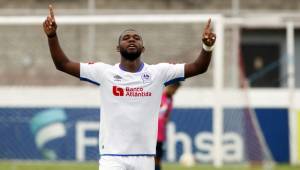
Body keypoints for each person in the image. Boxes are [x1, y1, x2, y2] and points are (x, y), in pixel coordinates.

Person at [43, 4, 216, 170]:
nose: (131, 40)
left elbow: (198, 67)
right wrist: (52, 36)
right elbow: (63, 64)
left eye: (136, 38)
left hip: (145, 157)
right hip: (112, 157)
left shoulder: (159, 72)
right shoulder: (104, 72)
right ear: (118, 48)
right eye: (126, 38)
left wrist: (207, 47)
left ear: (143, 47)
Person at [155, 82, 181, 170]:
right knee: (152, 157)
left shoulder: (170, 99)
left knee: (158, 156)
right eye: (174, 89)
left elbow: (167, 115)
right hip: (152, 132)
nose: (175, 91)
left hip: (161, 133)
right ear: (170, 87)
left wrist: (164, 123)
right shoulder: (158, 96)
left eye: (176, 90)